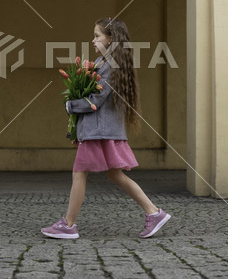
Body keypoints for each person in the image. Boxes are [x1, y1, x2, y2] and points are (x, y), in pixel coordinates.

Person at [41, 17, 171, 239]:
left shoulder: (109, 66)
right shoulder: (107, 64)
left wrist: (70, 104)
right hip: (102, 131)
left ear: (110, 39)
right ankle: (154, 213)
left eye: (97, 36)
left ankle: (69, 225)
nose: (93, 40)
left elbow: (95, 101)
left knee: (79, 173)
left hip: (98, 132)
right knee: (115, 175)